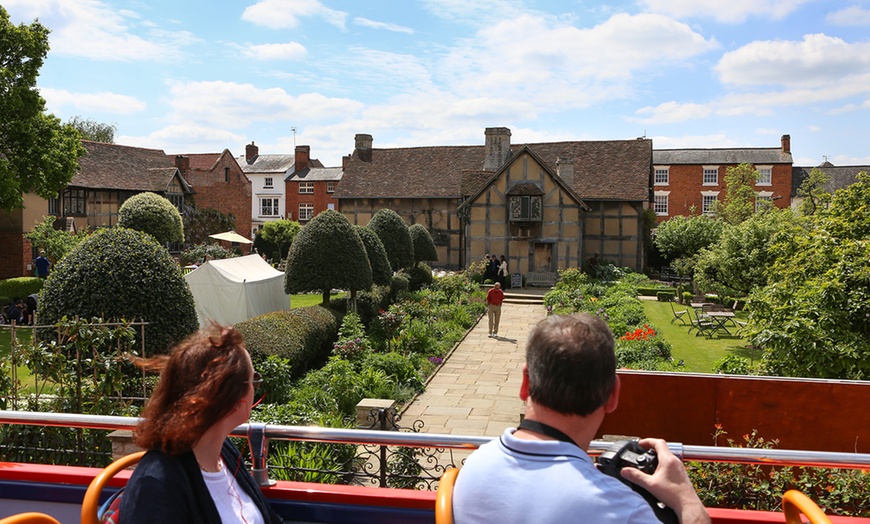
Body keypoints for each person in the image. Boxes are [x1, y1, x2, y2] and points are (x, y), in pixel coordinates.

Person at [453, 313, 710, 524]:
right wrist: (686, 498)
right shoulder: (619, 510)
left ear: (525, 383)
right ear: (613, 395)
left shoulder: (474, 467)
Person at [120, 324, 283, 524]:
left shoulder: (222, 451)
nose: (255, 391)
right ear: (230, 398)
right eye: (253, 381)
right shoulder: (156, 486)